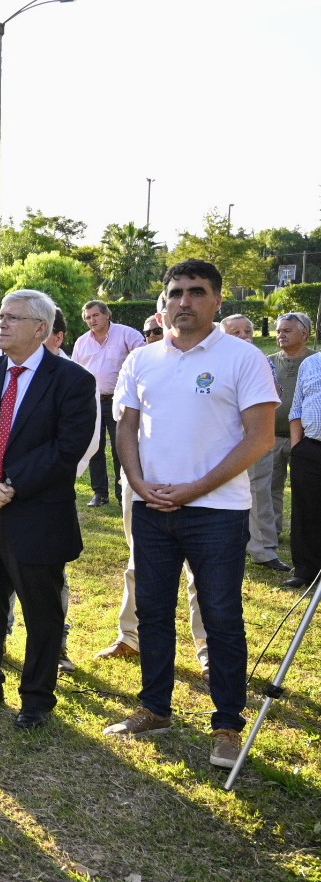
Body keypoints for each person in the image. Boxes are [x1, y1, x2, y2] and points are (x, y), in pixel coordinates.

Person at [105, 259, 277, 770]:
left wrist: (195, 489)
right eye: (176, 292)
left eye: (196, 292)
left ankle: (226, 724)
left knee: (222, 616)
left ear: (216, 300)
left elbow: (261, 439)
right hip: (154, 508)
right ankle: (155, 708)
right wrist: (138, 485)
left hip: (217, 511)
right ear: (164, 301)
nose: (185, 301)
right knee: (153, 610)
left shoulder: (243, 358)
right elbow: (126, 429)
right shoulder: (142, 360)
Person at [0, 290, 96, 729]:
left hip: (36, 514)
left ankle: (36, 698)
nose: (2, 324)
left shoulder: (73, 380)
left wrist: (7, 486)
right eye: (0, 316)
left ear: (41, 329)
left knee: (41, 611)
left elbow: (67, 447)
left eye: (13, 318)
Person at [221, 315, 289, 573]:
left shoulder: (260, 360)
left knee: (260, 491)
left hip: (254, 436)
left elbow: (274, 395)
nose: (243, 336)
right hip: (220, 439)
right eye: (235, 332)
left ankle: (263, 550)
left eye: (247, 331)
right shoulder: (212, 359)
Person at [73, 300, 144, 507]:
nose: (91, 320)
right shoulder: (82, 342)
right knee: (95, 448)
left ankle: (124, 491)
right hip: (92, 401)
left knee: (121, 446)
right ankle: (99, 493)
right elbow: (76, 371)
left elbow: (143, 359)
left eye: (95, 315)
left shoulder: (127, 335)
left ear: (107, 314)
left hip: (120, 400)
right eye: (87, 317)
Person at [265, 312, 312, 560]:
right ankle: (272, 532)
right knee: (271, 486)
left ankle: (305, 534)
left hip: (308, 441)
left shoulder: (316, 362)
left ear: (304, 334)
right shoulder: (268, 362)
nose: (280, 335)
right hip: (271, 436)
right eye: (279, 330)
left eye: (287, 331)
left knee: (306, 489)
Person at [285, 333, 321, 590]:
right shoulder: (311, 364)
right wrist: (298, 447)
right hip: (310, 449)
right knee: (305, 511)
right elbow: (296, 408)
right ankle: (305, 570)